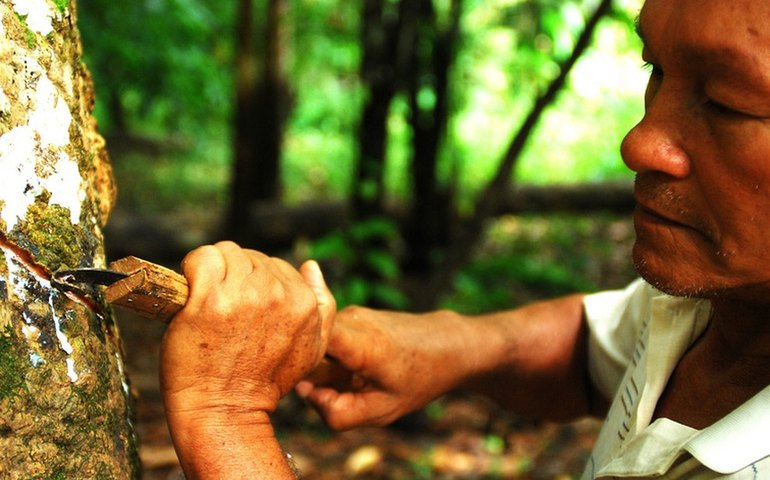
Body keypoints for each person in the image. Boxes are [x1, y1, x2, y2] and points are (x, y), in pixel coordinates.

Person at [159, 0, 770, 478]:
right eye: (654, 68)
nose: (639, 143)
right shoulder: (725, 303)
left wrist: (226, 420)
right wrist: (446, 347)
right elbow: (595, 346)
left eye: (727, 104)